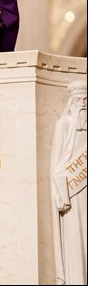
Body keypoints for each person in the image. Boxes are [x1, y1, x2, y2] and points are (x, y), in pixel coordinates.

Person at [50, 79, 87, 285]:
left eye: (86, 100)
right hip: (72, 194)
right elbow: (57, 163)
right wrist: (62, 195)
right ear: (71, 102)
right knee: (75, 240)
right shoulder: (63, 125)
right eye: (79, 100)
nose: (83, 104)